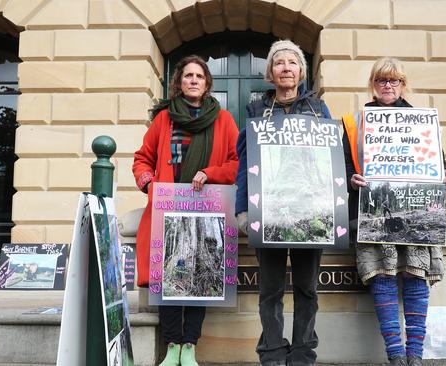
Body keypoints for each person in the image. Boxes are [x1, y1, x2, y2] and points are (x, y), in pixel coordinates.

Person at [341, 57, 446, 366]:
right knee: (382, 276)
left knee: (416, 277)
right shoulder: (356, 123)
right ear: (373, 85)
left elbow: (439, 165)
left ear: (403, 85)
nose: (388, 86)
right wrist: (352, 179)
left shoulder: (422, 122)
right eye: (381, 81)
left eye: (394, 81)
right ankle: (395, 355)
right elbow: (344, 169)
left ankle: (414, 355)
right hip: (375, 215)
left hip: (416, 212)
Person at [132, 55, 239, 366]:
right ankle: (172, 347)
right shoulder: (164, 119)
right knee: (169, 278)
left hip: (206, 209)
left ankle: (190, 345)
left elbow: (236, 164)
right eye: (188, 75)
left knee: (201, 278)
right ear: (179, 82)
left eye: (199, 76)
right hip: (167, 209)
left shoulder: (224, 120)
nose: (193, 80)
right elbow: (142, 159)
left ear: (207, 84)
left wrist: (211, 172)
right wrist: (149, 183)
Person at [235, 40, 331, 366]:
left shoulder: (320, 111)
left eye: (292, 62)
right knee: (270, 291)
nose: (286, 68)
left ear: (302, 71)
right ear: (271, 73)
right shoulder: (256, 112)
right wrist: (242, 209)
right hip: (270, 212)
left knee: (307, 290)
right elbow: (244, 162)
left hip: (311, 213)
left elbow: (331, 162)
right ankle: (273, 354)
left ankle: (304, 354)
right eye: (279, 63)